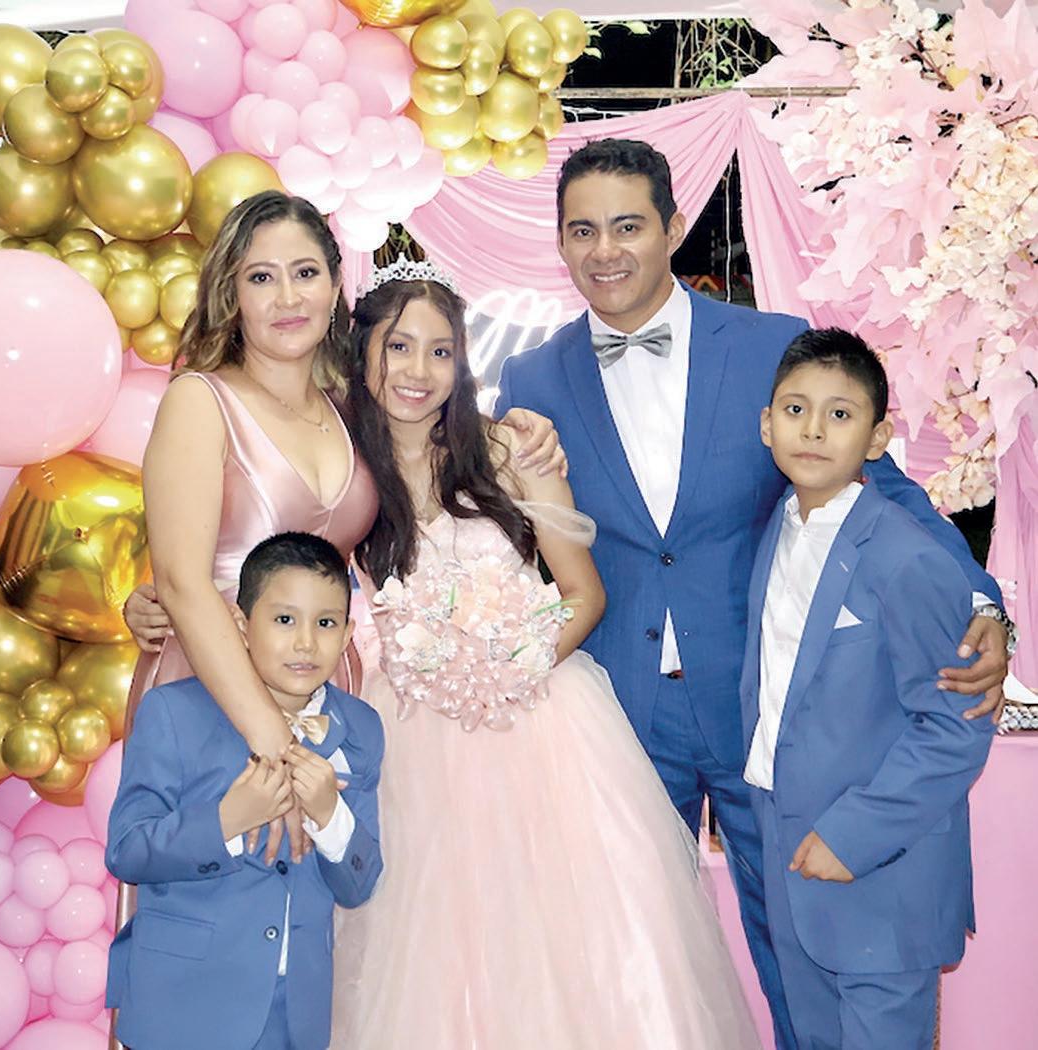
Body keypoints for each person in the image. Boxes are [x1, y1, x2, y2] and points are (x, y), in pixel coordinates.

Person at [493, 138, 1012, 1049]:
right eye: (582, 231)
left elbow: (886, 490)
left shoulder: (772, 345)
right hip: (619, 711)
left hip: (765, 703)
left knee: (797, 940)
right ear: (560, 240)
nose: (604, 251)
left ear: (672, 228)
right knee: (632, 959)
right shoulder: (530, 378)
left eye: (626, 226)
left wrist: (980, 605)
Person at [329, 259, 761, 1049]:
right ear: (364, 355)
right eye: (398, 347)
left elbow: (583, 594)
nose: (418, 371)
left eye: (439, 350)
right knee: (434, 944)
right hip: (410, 731)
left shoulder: (508, 450)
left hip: (539, 718)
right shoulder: (341, 471)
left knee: (573, 938)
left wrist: (505, 672)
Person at [120, 190, 563, 871]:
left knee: (317, 906)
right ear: (231, 293)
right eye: (260, 276)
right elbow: (183, 582)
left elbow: (438, 443)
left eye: (305, 272)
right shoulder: (200, 399)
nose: (286, 297)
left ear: (334, 286)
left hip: (329, 686)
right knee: (217, 896)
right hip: (215, 683)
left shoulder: (348, 412)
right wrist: (279, 747)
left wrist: (525, 430)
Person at [741, 329, 996, 1049]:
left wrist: (851, 836)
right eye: (795, 410)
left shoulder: (907, 556)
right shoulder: (774, 528)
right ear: (766, 425)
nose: (813, 430)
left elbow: (954, 726)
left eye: (840, 414)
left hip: (879, 873)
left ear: (878, 437)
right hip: (787, 854)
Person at [106, 532, 384, 1050]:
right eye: (284, 620)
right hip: (183, 1010)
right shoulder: (173, 711)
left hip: (293, 1017)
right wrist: (227, 821)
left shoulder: (361, 727)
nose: (306, 643)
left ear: (348, 632)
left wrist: (331, 817)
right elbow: (127, 851)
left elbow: (358, 885)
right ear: (240, 624)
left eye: (325, 623)